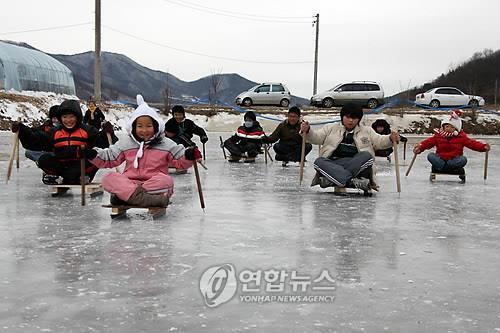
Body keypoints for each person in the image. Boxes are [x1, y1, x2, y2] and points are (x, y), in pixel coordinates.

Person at [84, 95, 200, 207]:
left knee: (167, 181)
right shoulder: (126, 143)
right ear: (134, 127)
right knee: (108, 178)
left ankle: (126, 197)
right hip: (130, 183)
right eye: (140, 126)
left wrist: (189, 155)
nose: (144, 130)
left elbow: (179, 159)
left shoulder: (165, 144)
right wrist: (94, 154)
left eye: (149, 126)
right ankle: (147, 199)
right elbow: (110, 157)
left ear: (156, 127)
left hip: (154, 184)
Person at [301, 103, 400, 191]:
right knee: (319, 162)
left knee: (366, 156)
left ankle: (336, 180)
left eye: (354, 118)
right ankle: (351, 181)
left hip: (357, 165)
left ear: (359, 119)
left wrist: (390, 138)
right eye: (348, 117)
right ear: (342, 117)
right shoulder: (331, 128)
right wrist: (308, 130)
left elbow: (380, 141)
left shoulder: (366, 131)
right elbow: (316, 137)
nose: (351, 120)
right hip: (334, 164)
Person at [11, 100, 109, 185]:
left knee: (96, 157)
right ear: (60, 118)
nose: (68, 120)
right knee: (43, 160)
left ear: (78, 117)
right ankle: (62, 178)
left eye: (71, 117)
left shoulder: (87, 130)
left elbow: (104, 144)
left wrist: (107, 133)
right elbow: (36, 141)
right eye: (65, 117)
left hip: (81, 166)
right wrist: (22, 130)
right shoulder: (55, 132)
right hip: (62, 166)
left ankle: (83, 177)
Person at [413, 109, 490, 182]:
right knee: (431, 156)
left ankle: (447, 167)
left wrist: (483, 147)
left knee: (463, 159)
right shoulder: (438, 136)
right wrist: (419, 148)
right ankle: (443, 166)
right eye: (447, 126)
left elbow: (472, 144)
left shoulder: (461, 137)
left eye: (452, 127)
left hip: (454, 160)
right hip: (441, 159)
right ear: (443, 127)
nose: (449, 129)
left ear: (456, 129)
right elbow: (427, 143)